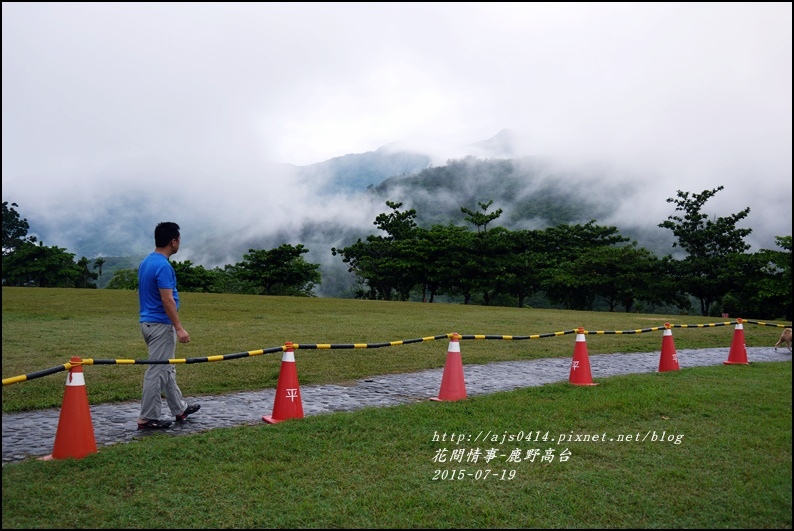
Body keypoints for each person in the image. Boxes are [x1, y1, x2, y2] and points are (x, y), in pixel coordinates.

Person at [137, 222, 200, 429]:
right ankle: (147, 417)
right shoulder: (163, 266)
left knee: (166, 368)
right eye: (179, 239)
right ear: (173, 241)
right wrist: (179, 327)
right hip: (160, 325)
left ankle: (179, 409)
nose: (179, 242)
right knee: (157, 371)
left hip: (147, 323)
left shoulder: (147, 261)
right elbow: (167, 300)